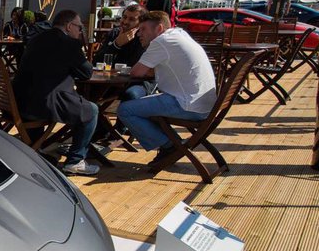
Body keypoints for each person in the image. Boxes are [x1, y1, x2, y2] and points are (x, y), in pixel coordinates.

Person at [118, 10, 218, 162]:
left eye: (143, 29)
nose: (139, 33)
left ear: (159, 28)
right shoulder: (179, 35)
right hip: (204, 104)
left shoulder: (161, 41)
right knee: (145, 103)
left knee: (125, 110)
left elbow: (137, 72)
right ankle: (173, 144)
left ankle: (169, 145)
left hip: (188, 105)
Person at [12, 9, 100, 175]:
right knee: (92, 110)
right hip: (43, 105)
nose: (80, 31)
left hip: (17, 103)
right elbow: (86, 73)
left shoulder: (36, 39)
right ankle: (75, 161)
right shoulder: (69, 44)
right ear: (68, 26)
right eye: (79, 28)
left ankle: (34, 149)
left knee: (43, 93)